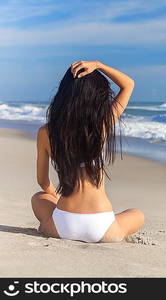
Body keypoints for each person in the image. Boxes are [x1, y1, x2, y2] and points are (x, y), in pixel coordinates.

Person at [31, 60, 144, 243]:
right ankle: (112, 231)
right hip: (102, 226)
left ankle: (47, 225)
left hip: (63, 224)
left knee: (38, 198)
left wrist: (56, 197)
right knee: (137, 214)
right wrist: (99, 65)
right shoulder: (103, 124)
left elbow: (42, 181)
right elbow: (128, 84)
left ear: (64, 93)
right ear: (97, 95)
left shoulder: (46, 132)